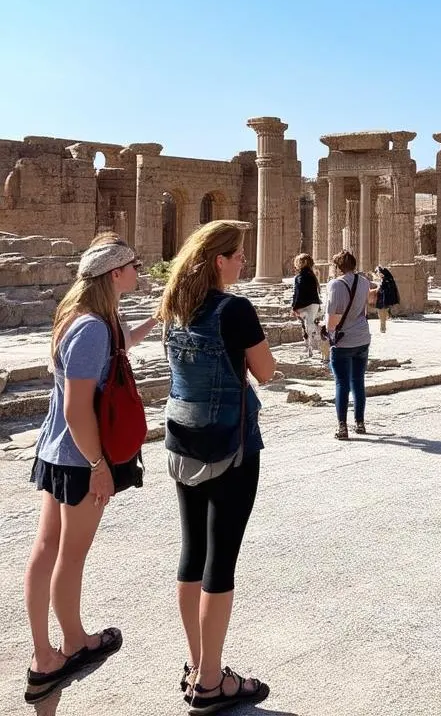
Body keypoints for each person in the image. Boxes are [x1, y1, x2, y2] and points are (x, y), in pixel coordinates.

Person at [23, 234, 153, 704]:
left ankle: (44, 652)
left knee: (46, 549)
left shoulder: (83, 318)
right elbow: (80, 408)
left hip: (55, 450)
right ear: (114, 273)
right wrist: (100, 465)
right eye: (134, 265)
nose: (139, 271)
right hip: (79, 457)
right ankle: (71, 643)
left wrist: (153, 323)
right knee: (69, 555)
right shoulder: (94, 328)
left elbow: (113, 352)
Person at [160, 220, 275, 712]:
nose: (244, 261)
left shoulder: (173, 306)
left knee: (192, 552)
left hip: (182, 442)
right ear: (218, 262)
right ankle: (211, 681)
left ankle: (196, 662)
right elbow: (265, 372)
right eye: (238, 255)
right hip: (231, 448)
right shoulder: (236, 309)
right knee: (220, 558)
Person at [325, 251, 374, 439]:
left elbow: (332, 319)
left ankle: (342, 427)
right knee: (358, 381)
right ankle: (360, 423)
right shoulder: (364, 282)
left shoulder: (335, 285)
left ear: (338, 267)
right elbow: (363, 307)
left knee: (342, 383)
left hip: (343, 340)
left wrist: (326, 330)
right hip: (362, 337)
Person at [290, 253, 321, 358]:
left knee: (305, 325)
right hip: (314, 304)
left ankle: (309, 347)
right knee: (310, 324)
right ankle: (314, 345)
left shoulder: (299, 277)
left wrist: (294, 307)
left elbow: (297, 293)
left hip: (304, 305)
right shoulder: (313, 276)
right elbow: (316, 292)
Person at [372, 265, 400, 333]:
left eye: (379, 272)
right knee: (381, 315)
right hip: (381, 300)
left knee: (382, 315)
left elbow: (385, 289)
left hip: (384, 301)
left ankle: (382, 328)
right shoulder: (384, 280)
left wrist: (380, 285)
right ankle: (383, 327)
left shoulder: (387, 280)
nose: (378, 274)